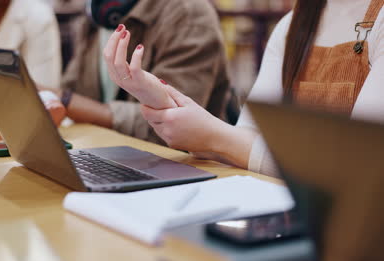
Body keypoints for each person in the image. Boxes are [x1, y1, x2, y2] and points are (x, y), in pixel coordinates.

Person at [102, 0, 384, 177]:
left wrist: (212, 136)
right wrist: (163, 100)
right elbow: (247, 140)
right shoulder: (292, 25)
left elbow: (355, 169)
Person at [57, 0, 235, 144]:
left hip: (183, 167)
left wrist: (64, 100)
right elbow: (74, 90)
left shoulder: (189, 14)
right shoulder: (97, 14)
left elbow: (170, 125)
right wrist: (59, 100)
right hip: (113, 154)